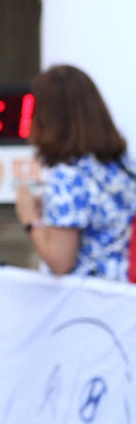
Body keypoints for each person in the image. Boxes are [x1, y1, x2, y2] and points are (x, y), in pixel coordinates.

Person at [14, 64, 136, 281]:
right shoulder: (122, 165)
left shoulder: (67, 177)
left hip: (92, 302)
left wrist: (30, 218)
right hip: (125, 296)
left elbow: (60, 261)